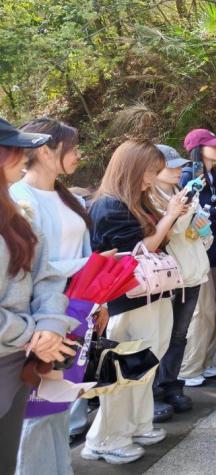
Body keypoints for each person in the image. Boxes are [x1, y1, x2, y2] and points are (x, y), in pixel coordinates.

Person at [82, 140, 190, 464]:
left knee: (146, 365)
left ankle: (137, 425)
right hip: (126, 301)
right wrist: (169, 217)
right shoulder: (109, 206)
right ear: (132, 168)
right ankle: (105, 439)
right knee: (125, 371)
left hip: (151, 295)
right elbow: (138, 252)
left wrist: (169, 218)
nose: (152, 178)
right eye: (150, 171)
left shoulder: (134, 201)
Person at [11, 118, 104, 475]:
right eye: (72, 148)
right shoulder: (20, 200)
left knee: (60, 402)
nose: (78, 155)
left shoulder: (69, 197)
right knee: (34, 413)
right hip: (39, 320)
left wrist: (98, 300)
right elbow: (32, 268)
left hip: (75, 312)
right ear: (45, 151)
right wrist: (87, 266)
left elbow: (84, 253)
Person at [0, 118, 77, 474]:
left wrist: (49, 325)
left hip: (19, 359)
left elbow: (45, 275)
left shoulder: (17, 213)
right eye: (16, 150)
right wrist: (34, 333)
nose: (24, 156)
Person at [151, 145, 212, 414]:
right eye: (171, 166)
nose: (178, 170)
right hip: (166, 277)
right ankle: (153, 392)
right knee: (160, 337)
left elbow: (200, 238)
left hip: (192, 272)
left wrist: (203, 230)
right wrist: (180, 211)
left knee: (179, 336)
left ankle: (171, 386)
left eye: (179, 166)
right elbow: (168, 233)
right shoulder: (149, 198)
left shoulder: (185, 194)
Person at [178, 128, 216, 387]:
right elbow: (187, 213)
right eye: (212, 145)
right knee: (203, 312)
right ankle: (189, 368)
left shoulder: (214, 176)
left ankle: (206, 362)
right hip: (198, 254)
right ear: (198, 149)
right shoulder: (188, 176)